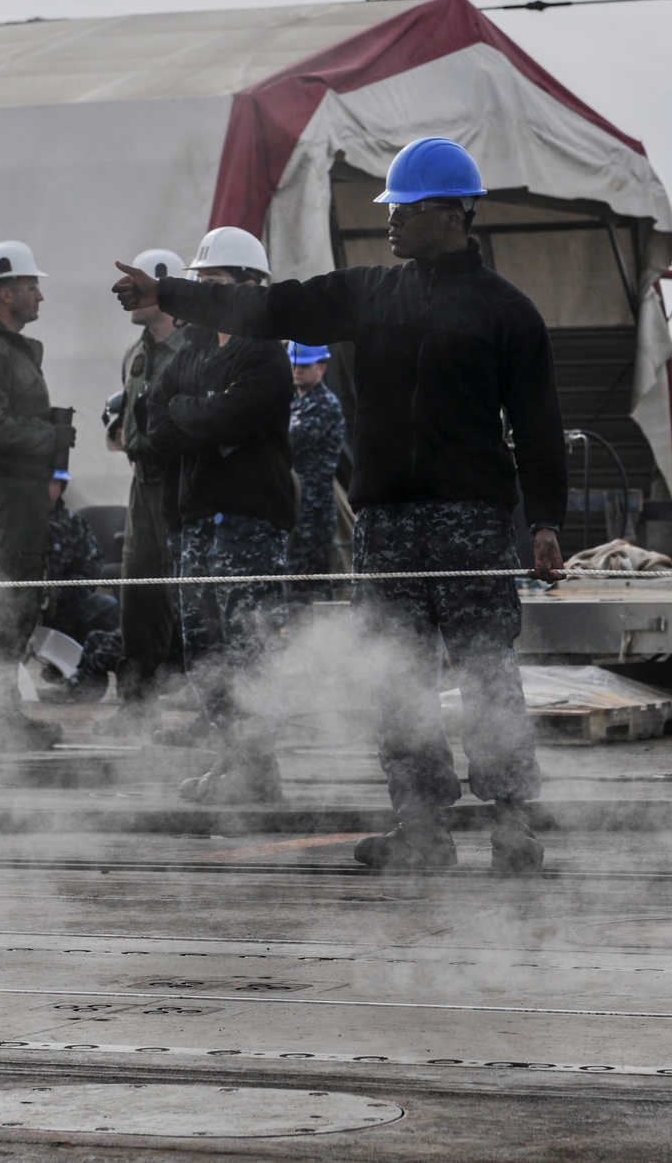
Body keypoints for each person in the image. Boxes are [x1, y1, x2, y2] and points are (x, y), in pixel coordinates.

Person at [113, 138, 568, 874]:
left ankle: (513, 825)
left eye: (402, 210)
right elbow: (270, 306)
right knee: (399, 677)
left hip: (471, 522)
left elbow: (539, 426)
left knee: (486, 670)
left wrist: (546, 522)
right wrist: (172, 296)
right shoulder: (371, 294)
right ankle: (421, 828)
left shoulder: (506, 314)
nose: (387, 221)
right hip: (387, 523)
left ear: (452, 214)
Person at [146, 227, 295, 802]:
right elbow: (156, 426)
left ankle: (257, 769)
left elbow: (232, 419)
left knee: (250, 650)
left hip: (248, 522)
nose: (204, 293)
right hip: (195, 525)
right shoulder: (193, 353)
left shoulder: (265, 357)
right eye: (199, 283)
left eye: (217, 283)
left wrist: (196, 416)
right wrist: (198, 413)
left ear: (252, 287)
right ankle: (233, 760)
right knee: (205, 651)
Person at [0, 240, 75, 751]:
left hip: (18, 492)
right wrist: (49, 438)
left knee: (18, 602)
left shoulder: (8, 348)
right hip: (4, 491)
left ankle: (0, 717)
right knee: (3, 604)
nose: (40, 296)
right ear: (5, 294)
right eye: (30, 286)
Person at [95, 248, 188, 737]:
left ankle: (213, 703)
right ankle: (137, 704)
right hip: (143, 482)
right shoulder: (135, 354)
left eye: (136, 286)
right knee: (139, 591)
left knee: (193, 591)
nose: (126, 295)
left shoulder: (193, 349)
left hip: (182, 480)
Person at [42, 471, 122, 702]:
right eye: (46, 482)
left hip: (66, 605)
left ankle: (92, 676)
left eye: (56, 483)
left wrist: (60, 593)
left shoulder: (72, 523)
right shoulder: (22, 522)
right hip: (29, 609)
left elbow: (92, 567)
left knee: (109, 609)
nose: (50, 489)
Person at [286, 341, 345, 607]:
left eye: (304, 365)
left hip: (315, 513)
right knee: (294, 584)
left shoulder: (325, 404)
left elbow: (290, 442)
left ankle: (321, 642)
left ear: (321, 367)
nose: (297, 369)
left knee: (313, 586)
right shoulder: (293, 404)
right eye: (294, 364)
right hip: (296, 509)